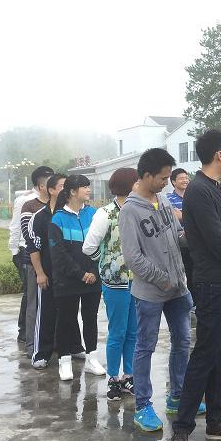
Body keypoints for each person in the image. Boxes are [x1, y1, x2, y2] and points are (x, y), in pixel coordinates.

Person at [172, 129, 221, 441]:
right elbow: (215, 238)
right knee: (206, 354)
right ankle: (182, 428)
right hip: (212, 284)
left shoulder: (214, 189)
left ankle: (218, 420)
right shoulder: (198, 191)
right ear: (220, 155)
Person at [118, 149, 206, 432]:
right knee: (146, 346)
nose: (167, 182)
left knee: (182, 341)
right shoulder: (130, 211)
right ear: (146, 175)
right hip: (151, 293)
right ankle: (142, 405)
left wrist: (193, 236)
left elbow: (176, 235)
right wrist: (163, 279)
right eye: (163, 178)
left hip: (178, 289)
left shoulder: (164, 201)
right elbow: (133, 257)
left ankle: (177, 395)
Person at [82, 168, 139, 400]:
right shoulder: (105, 213)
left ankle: (129, 376)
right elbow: (89, 247)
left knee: (133, 331)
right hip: (116, 283)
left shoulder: (139, 210)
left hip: (139, 282)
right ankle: (114, 378)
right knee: (118, 332)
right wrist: (106, 262)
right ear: (130, 185)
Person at [49, 174, 105, 381]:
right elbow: (59, 254)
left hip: (93, 278)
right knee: (66, 320)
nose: (88, 190)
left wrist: (93, 271)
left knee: (90, 319)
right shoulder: (58, 219)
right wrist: (81, 274)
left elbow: (101, 244)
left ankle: (92, 358)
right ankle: (64, 361)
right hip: (67, 280)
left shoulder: (94, 214)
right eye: (84, 187)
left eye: (88, 186)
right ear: (72, 192)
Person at [28, 173, 86, 369]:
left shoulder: (72, 214)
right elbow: (33, 248)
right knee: (46, 312)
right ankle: (41, 353)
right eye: (62, 186)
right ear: (51, 190)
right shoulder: (40, 217)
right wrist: (40, 273)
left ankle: (74, 346)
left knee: (70, 312)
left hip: (70, 274)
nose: (66, 188)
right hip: (49, 274)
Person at [18, 165, 54, 358]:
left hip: (56, 265)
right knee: (34, 305)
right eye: (51, 182)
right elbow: (29, 237)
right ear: (41, 186)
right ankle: (32, 345)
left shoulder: (59, 206)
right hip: (34, 263)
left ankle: (53, 343)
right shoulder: (30, 206)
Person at [8, 170, 47, 345]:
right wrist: (14, 250)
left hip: (45, 252)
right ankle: (24, 331)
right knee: (29, 294)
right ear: (41, 183)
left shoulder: (54, 201)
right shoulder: (25, 201)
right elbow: (16, 226)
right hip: (26, 251)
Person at [167, 168, 194, 296]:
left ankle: (194, 301)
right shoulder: (168, 199)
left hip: (193, 241)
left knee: (193, 273)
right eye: (182, 178)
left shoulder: (193, 196)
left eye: (186, 178)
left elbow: (199, 215)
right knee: (179, 273)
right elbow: (171, 217)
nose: (185, 180)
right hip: (177, 242)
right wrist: (190, 216)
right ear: (173, 182)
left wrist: (182, 215)